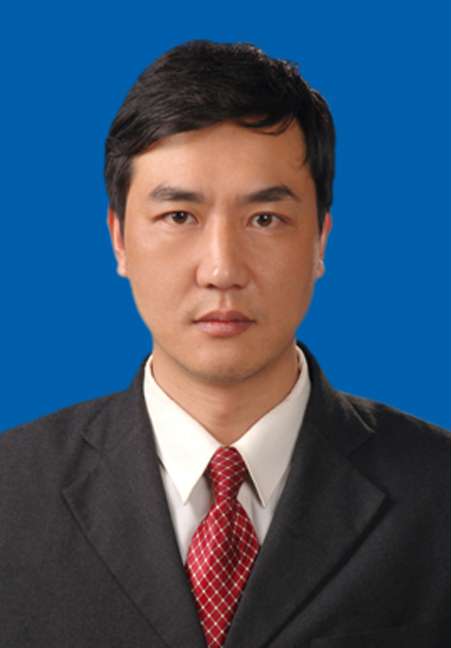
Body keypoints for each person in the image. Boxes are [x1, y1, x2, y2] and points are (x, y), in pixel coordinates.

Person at [0, 40, 449, 648]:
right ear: (119, 239)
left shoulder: (439, 491)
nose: (222, 270)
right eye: (179, 217)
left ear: (320, 241)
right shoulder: (11, 492)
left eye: (265, 219)